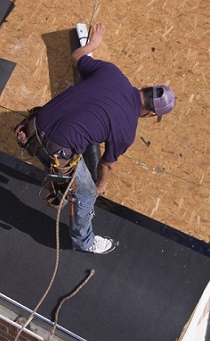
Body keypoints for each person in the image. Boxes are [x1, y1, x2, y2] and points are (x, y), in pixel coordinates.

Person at [14, 22, 175, 254]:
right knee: (87, 193)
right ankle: (84, 241)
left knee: (84, 128)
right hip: (52, 148)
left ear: (146, 87)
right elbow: (107, 164)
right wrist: (101, 184)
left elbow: (77, 56)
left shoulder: (112, 72)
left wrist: (93, 44)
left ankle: (60, 180)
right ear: (151, 114)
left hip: (31, 127)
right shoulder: (126, 129)